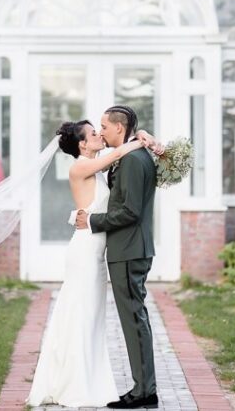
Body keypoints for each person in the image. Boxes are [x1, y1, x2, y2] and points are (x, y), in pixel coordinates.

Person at [26, 119, 161, 409]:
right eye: (92, 132)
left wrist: (142, 134)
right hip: (86, 252)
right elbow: (115, 155)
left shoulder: (99, 166)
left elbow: (114, 164)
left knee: (92, 319)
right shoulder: (79, 166)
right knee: (80, 316)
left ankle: (90, 380)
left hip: (99, 253)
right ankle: (73, 384)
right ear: (82, 144)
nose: (99, 134)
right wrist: (142, 140)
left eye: (100, 128)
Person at [76, 105, 159, 410]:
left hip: (129, 249)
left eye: (104, 126)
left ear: (119, 128)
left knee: (134, 320)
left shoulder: (134, 161)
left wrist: (93, 222)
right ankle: (144, 387)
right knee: (135, 318)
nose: (101, 131)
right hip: (130, 249)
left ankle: (144, 392)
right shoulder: (131, 155)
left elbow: (130, 211)